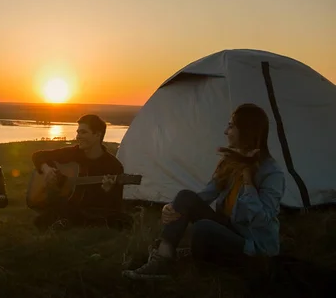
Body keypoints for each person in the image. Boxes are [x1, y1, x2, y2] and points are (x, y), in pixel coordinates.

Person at [123, 103, 286, 279]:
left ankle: (189, 258)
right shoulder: (231, 162)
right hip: (230, 228)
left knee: (203, 229)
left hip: (253, 246)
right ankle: (163, 258)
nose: (225, 131)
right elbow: (207, 194)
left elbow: (259, 218)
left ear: (246, 131)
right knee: (185, 197)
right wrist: (174, 207)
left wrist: (247, 179)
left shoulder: (271, 173)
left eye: (231, 126)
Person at [30, 114, 133, 231]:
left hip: (92, 208)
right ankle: (65, 220)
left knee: (121, 220)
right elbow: (38, 156)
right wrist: (47, 169)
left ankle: (65, 221)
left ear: (97, 135)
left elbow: (115, 205)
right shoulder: (74, 153)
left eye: (83, 132)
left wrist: (107, 190)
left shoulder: (114, 166)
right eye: (78, 132)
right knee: (56, 211)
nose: (78, 136)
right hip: (69, 205)